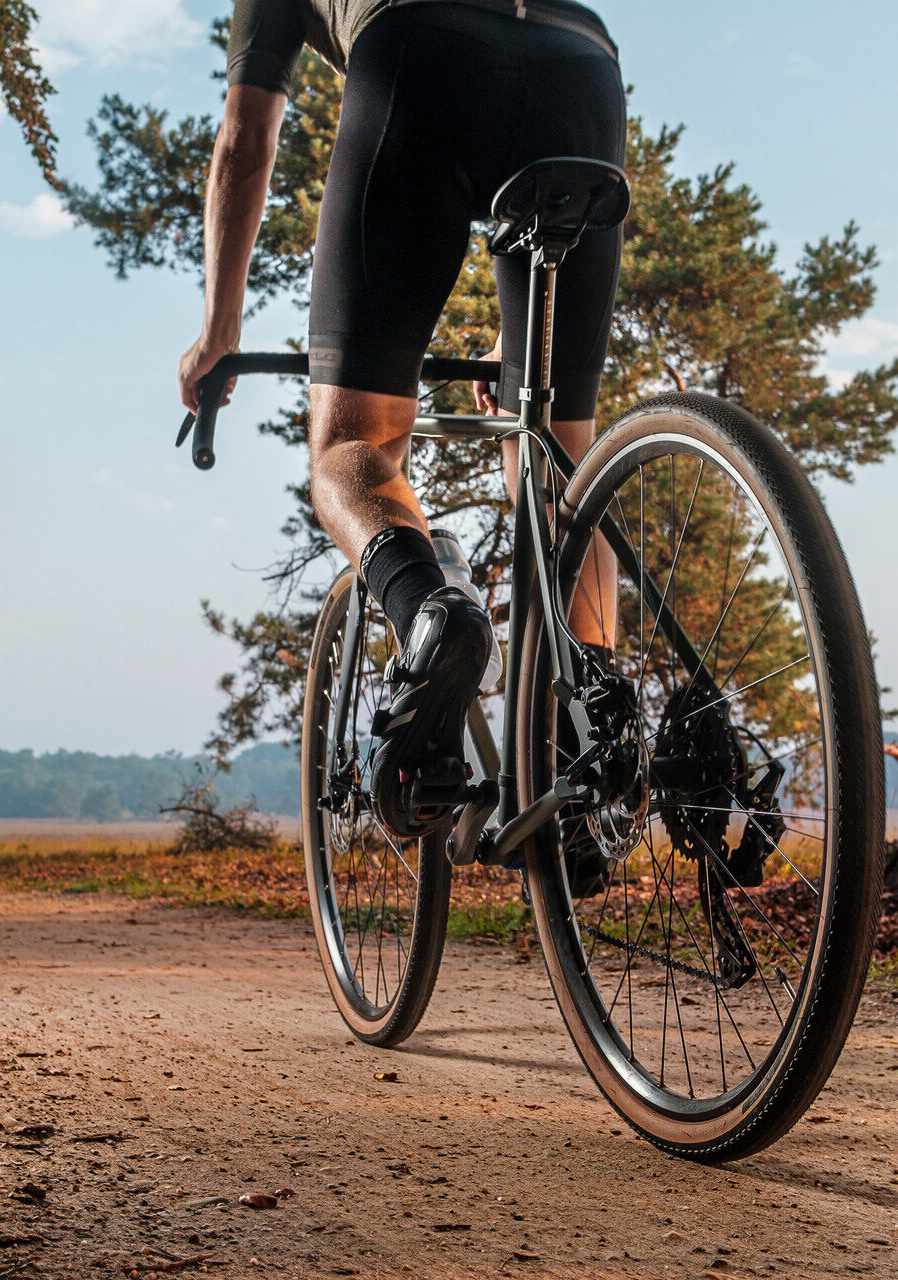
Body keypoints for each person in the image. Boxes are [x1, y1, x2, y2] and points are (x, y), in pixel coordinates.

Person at [178, 0, 625, 875]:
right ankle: (598, 726)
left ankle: (432, 614)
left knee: (356, 444)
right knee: (561, 461)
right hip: (583, 66)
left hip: (423, 48)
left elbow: (245, 140)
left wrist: (219, 328)